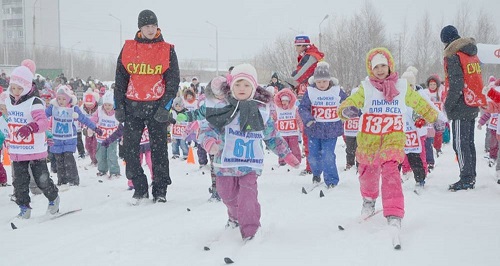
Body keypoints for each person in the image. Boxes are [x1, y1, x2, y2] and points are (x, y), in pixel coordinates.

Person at [338, 47, 441, 231]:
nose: (380, 70)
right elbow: (351, 101)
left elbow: (419, 102)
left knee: (391, 171)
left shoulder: (401, 86)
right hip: (369, 139)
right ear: (371, 68)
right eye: (376, 67)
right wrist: (347, 110)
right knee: (367, 172)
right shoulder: (366, 87)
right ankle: (368, 201)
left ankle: (394, 212)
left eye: (383, 66)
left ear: (390, 65)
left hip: (392, 137)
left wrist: (435, 117)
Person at [198, 63, 300, 241]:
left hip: (249, 164)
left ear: (254, 87)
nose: (242, 89)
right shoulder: (223, 107)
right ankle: (234, 215)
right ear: (231, 86)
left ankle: (251, 230)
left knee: (248, 198)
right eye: (237, 84)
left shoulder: (261, 111)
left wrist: (286, 154)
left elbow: (272, 136)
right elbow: (207, 128)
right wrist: (209, 143)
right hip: (225, 163)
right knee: (227, 195)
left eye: (246, 85)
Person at [114, 9, 180, 204]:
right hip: (133, 107)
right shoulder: (128, 48)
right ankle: (140, 188)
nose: (150, 30)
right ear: (140, 28)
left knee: (159, 151)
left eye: (153, 26)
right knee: (129, 150)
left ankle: (160, 190)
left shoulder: (167, 49)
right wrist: (119, 106)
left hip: (156, 108)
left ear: (157, 27)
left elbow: (173, 81)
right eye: (146, 26)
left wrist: (165, 107)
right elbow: (120, 79)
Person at [6, 65, 59, 218]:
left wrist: (30, 127)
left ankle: (53, 198)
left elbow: (43, 123)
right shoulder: (8, 101)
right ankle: (24, 208)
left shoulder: (34, 102)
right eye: (13, 88)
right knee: (19, 184)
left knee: (41, 180)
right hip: (17, 150)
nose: (15, 92)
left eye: (19, 88)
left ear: (27, 87)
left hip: (34, 150)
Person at [440, 25, 482, 191]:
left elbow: (456, 84)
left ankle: (466, 178)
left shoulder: (454, 55)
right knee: (468, 142)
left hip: (460, 106)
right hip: (472, 102)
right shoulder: (471, 53)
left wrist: (447, 106)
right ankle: (471, 175)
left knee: (460, 143)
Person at [299, 62, 346, 187]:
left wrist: (349, 112)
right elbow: (303, 108)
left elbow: (347, 103)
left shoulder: (337, 91)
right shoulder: (310, 92)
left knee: (328, 155)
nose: (321, 84)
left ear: (329, 80)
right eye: (319, 82)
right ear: (315, 81)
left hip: (331, 130)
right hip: (314, 129)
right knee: (313, 156)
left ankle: (331, 180)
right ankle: (316, 172)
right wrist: (308, 119)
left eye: (324, 81)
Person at [46, 85, 102, 186]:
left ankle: (73, 180)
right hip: (57, 139)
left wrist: (95, 128)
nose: (61, 101)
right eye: (59, 98)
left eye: (64, 99)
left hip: (69, 139)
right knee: (59, 160)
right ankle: (62, 180)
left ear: (68, 99)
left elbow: (84, 119)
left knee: (68, 158)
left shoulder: (73, 109)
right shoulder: (53, 108)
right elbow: (42, 116)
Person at [291, 35, 324, 176]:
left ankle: (313, 167)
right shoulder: (309, 56)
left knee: (309, 134)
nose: (296, 49)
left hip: (311, 100)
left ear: (304, 45)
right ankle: (314, 165)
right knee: (310, 134)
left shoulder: (310, 57)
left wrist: (292, 79)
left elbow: (298, 77)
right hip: (309, 98)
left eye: (297, 46)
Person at [93, 91, 121, 178]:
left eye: (109, 105)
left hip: (111, 139)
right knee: (101, 156)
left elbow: (121, 126)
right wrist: (91, 126)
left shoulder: (116, 113)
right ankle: (102, 170)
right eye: (105, 105)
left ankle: (114, 171)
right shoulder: (99, 111)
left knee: (111, 155)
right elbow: (94, 119)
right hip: (101, 138)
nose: (107, 107)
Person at [274, 88, 302, 166]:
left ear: (290, 101)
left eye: (286, 101)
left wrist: (301, 128)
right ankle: (282, 161)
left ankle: (297, 160)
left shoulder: (294, 109)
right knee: (282, 148)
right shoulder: (278, 109)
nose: (284, 103)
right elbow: (273, 119)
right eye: (283, 101)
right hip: (282, 133)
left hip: (293, 132)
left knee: (294, 148)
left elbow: (299, 119)